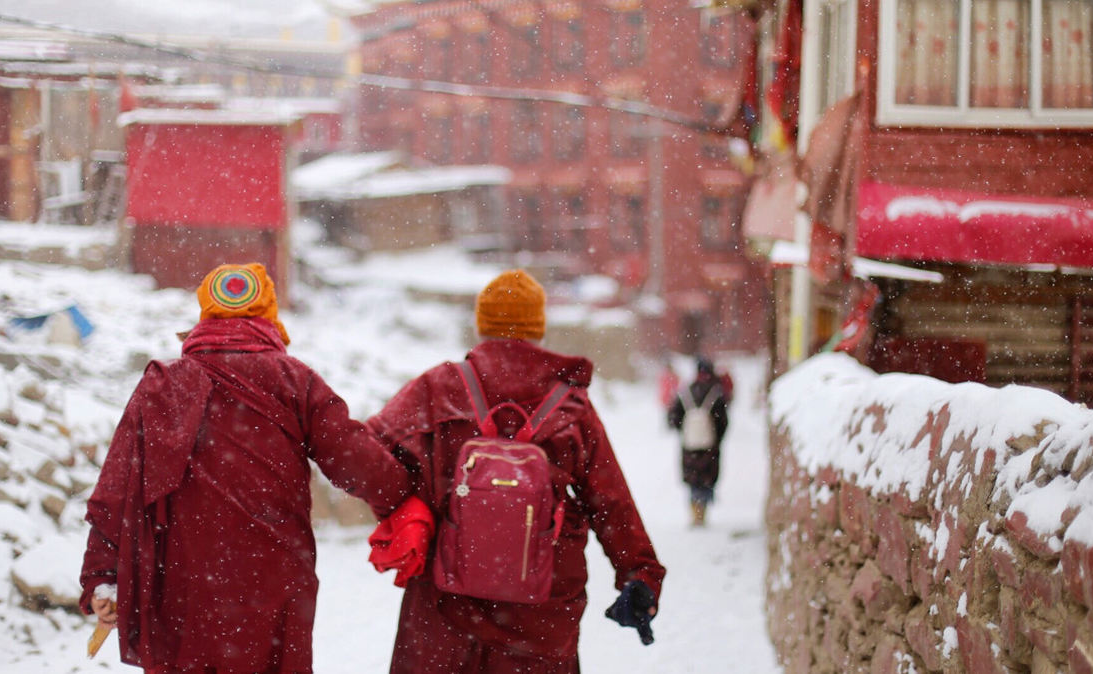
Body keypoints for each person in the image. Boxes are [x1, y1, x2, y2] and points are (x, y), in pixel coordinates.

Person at [78, 263, 413, 674]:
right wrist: (409, 491)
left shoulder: (165, 386)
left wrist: (102, 575)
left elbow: (117, 488)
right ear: (267, 315)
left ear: (205, 313)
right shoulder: (294, 381)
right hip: (273, 580)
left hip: (183, 581)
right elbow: (357, 464)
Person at [365, 269, 666, 674]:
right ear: (538, 328)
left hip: (447, 609)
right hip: (537, 618)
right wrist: (639, 572)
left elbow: (367, 454)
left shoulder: (438, 387)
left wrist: (412, 502)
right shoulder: (569, 404)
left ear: (482, 325)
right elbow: (609, 498)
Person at [666, 355, 731, 527]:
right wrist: (716, 437)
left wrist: (685, 430)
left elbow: (673, 417)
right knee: (707, 476)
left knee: (693, 477)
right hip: (709, 444)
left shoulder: (686, 391)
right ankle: (703, 511)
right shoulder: (716, 392)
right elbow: (723, 421)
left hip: (690, 444)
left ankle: (695, 509)